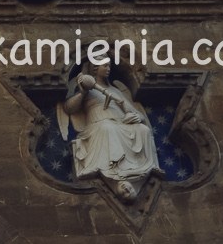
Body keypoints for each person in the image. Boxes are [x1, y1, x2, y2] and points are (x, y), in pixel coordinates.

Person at [55, 58, 159, 201]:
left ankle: (135, 169)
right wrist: (83, 93)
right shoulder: (88, 88)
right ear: (95, 69)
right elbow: (69, 108)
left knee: (143, 130)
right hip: (98, 124)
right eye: (105, 66)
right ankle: (112, 168)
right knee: (107, 128)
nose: (109, 68)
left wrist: (135, 117)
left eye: (109, 66)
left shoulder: (115, 90)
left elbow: (135, 112)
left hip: (121, 124)